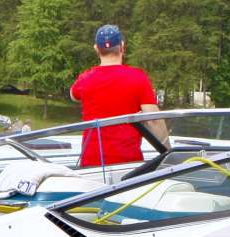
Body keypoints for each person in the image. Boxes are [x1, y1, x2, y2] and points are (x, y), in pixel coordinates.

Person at [69, 24, 164, 168]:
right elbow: (154, 121)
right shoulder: (138, 78)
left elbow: (73, 95)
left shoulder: (85, 78)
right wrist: (168, 151)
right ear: (122, 46)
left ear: (96, 49)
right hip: (128, 163)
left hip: (91, 164)